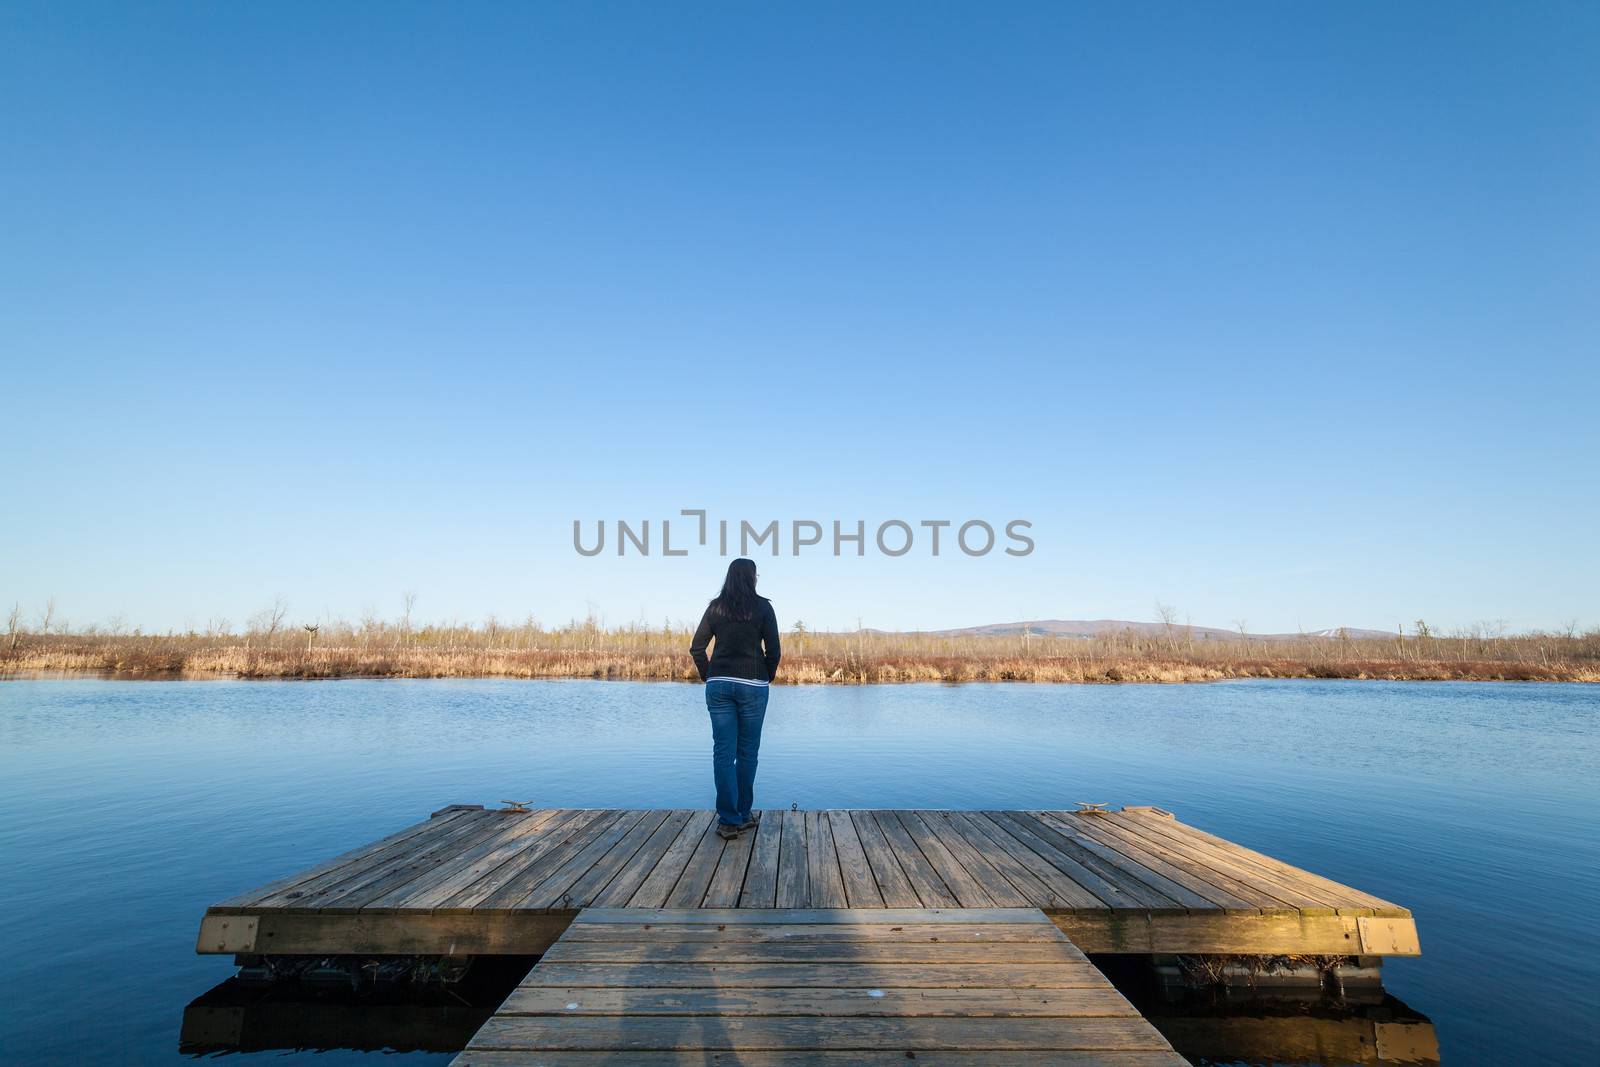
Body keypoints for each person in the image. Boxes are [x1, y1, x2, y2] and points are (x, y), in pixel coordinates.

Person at [689, 558, 781, 839]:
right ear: (753, 578)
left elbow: (697, 648)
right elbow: (774, 651)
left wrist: (710, 676)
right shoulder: (763, 606)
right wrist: (766, 676)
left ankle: (728, 821)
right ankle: (743, 814)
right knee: (747, 753)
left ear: (728, 578)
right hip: (753, 685)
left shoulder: (715, 607)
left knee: (723, 752)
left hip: (719, 686)